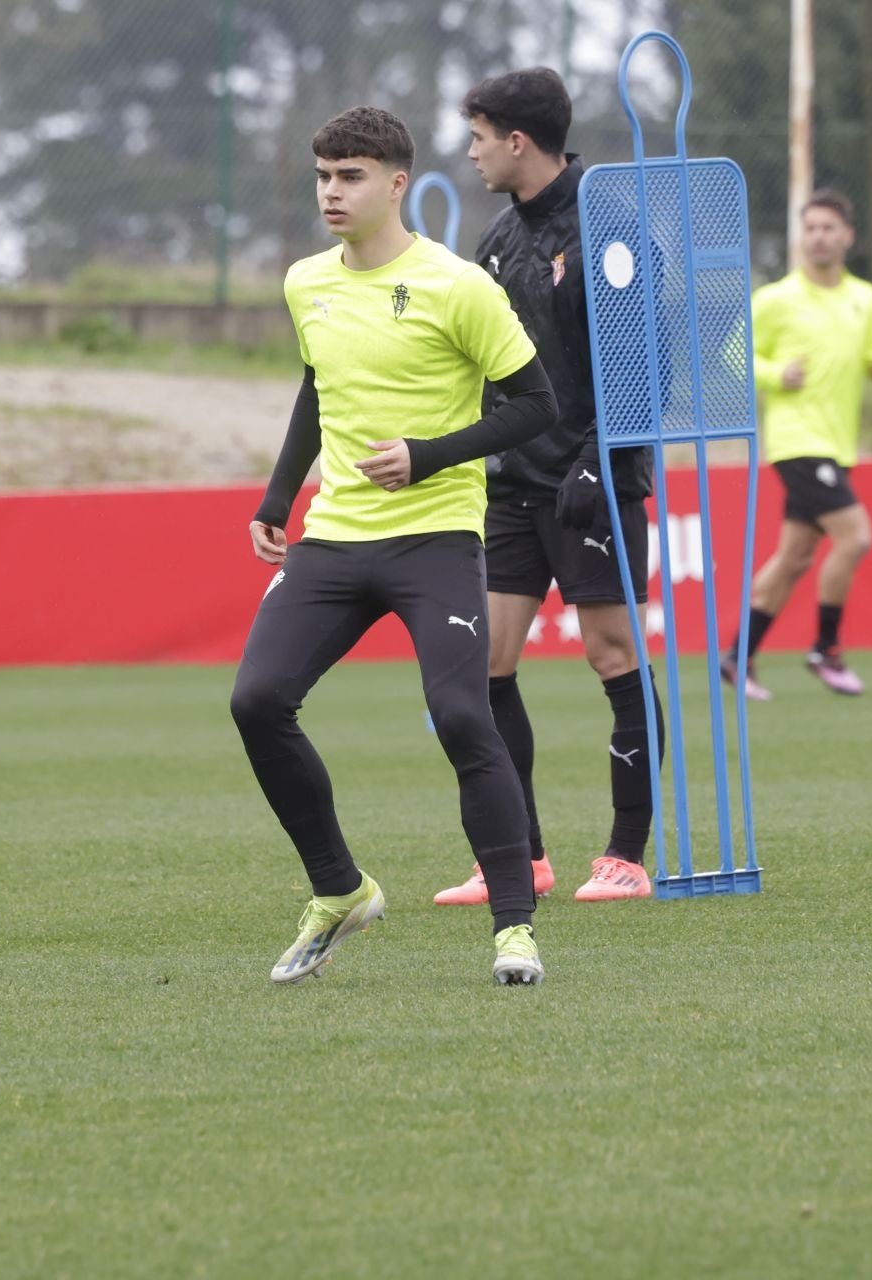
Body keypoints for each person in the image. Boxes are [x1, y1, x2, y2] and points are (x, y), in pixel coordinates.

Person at [231, 106, 560, 986]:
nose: (332, 193)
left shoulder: (459, 286)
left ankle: (514, 930)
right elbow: (318, 387)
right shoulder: (307, 282)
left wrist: (429, 457)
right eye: (323, 177)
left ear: (396, 183)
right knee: (257, 701)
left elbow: (537, 405)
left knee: (462, 716)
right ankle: (340, 891)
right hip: (336, 539)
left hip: (438, 539)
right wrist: (278, 495)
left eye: (351, 177)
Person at [431, 67, 663, 907]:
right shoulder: (496, 240)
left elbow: (647, 366)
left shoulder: (610, 229)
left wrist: (599, 463)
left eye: (481, 137)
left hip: (594, 482)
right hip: (514, 486)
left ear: (518, 141)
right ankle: (520, 860)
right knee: (486, 664)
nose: (472, 152)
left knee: (610, 653)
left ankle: (626, 858)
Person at [723, 189, 872, 699]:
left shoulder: (865, 299)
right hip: (796, 443)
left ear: (847, 237)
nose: (818, 237)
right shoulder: (775, 300)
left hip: (836, 446)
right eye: (810, 228)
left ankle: (737, 657)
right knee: (855, 537)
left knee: (793, 559)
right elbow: (731, 358)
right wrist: (773, 373)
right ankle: (826, 649)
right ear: (800, 237)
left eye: (828, 228)